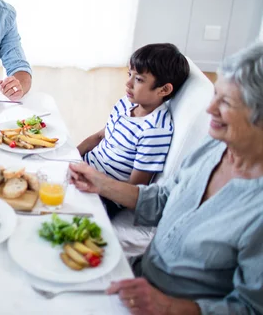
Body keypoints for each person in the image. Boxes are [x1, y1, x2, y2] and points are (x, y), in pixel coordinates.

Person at [69, 42, 263, 314]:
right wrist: (101, 183)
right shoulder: (215, 148)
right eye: (215, 95)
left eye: (226, 102)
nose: (210, 109)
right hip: (138, 276)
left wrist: (169, 307)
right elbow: (163, 198)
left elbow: (251, 308)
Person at [76, 43, 189, 218]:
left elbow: (134, 189)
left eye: (139, 79)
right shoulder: (125, 103)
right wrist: (71, 156)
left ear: (164, 89)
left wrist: (93, 182)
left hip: (105, 195)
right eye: (130, 74)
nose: (128, 83)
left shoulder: (155, 131)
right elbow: (99, 136)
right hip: (86, 168)